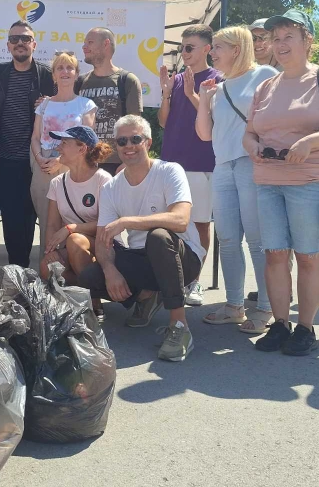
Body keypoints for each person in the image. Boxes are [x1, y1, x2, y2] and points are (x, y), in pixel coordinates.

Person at [243, 10, 319, 357]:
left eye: (289, 36)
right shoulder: (266, 85)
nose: (280, 44)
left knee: (306, 256)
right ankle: (280, 324)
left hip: (308, 180)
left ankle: (305, 328)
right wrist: (255, 148)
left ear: (307, 40)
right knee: (274, 255)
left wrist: (309, 142)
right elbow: (249, 134)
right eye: (275, 38)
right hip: (267, 181)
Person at [78, 115, 205, 362]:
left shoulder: (169, 171)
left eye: (135, 139)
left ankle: (179, 327)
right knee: (90, 276)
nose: (129, 145)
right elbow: (103, 240)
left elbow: (180, 220)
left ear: (147, 142)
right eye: (122, 141)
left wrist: (128, 221)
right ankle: (147, 294)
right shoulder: (111, 187)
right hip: (143, 259)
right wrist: (109, 269)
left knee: (157, 238)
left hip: (183, 258)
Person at [195, 25, 279, 332]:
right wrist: (204, 99)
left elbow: (275, 118)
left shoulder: (264, 74)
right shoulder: (217, 85)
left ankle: (268, 308)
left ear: (237, 49)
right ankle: (234, 306)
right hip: (223, 165)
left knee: (258, 241)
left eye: (218, 46)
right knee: (228, 239)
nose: (212, 52)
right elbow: (205, 134)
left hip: (250, 163)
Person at [158, 24, 220, 306]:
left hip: (200, 162)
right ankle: (172, 280)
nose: (183, 52)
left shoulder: (217, 78)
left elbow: (214, 121)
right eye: (182, 47)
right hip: (171, 163)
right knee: (169, 225)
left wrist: (195, 93)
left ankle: (194, 282)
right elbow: (162, 121)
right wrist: (166, 92)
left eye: (189, 47)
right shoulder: (178, 78)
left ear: (207, 49)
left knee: (199, 224)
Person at [0, 20, 56, 267]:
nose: (20, 43)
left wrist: (50, 102)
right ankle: (18, 274)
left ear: (34, 44)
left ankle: (46, 276)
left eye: (25, 39)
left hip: (37, 160)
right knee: (13, 221)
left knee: (45, 220)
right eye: (14, 39)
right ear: (8, 45)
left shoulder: (48, 75)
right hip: (6, 160)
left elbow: (62, 108)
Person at [40, 126, 113, 318]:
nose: (58, 148)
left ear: (82, 149)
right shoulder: (57, 183)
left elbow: (107, 225)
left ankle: (95, 299)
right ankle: (83, 295)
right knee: (46, 268)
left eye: (64, 143)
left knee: (75, 241)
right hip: (75, 245)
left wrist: (71, 228)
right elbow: (51, 225)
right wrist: (51, 252)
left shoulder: (103, 180)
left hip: (105, 246)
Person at [31, 52, 97, 256]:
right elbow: (35, 137)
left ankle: (71, 271)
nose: (65, 72)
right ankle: (48, 269)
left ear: (77, 74)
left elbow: (87, 139)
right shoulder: (45, 104)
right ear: (54, 75)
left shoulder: (86, 105)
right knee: (47, 222)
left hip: (71, 165)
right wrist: (40, 158)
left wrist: (60, 161)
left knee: (70, 222)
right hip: (43, 165)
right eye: (60, 68)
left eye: (70, 68)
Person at [78, 27, 143, 176]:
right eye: (84, 43)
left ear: (106, 44)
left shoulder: (127, 80)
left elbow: (136, 127)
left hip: (118, 164)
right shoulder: (80, 82)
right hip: (86, 162)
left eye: (90, 42)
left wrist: (127, 163)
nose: (84, 47)